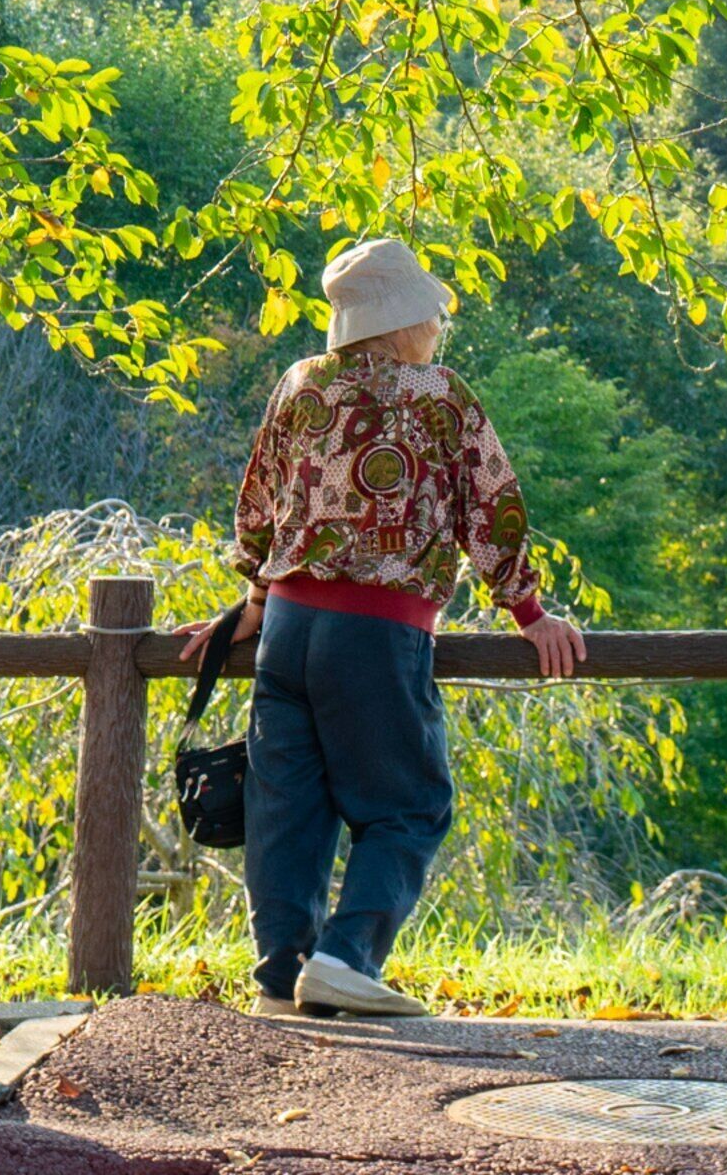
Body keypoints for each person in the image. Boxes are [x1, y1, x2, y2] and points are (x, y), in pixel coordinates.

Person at [174, 237, 589, 1018]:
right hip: (376, 634)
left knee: (286, 809)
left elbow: (260, 502)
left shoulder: (300, 384)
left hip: (288, 631)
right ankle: (344, 956)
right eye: (431, 316)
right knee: (409, 805)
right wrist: (528, 612)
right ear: (407, 322)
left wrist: (259, 600)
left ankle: (280, 977)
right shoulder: (438, 395)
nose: (438, 327)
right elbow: (491, 508)